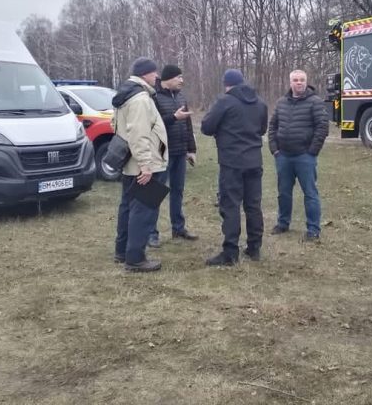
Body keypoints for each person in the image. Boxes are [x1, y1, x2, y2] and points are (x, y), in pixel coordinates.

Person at [201, 69, 268, 266]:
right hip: (254, 161)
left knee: (230, 206)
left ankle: (230, 252)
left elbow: (206, 126)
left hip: (232, 163)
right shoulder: (260, 102)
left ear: (227, 84)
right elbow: (262, 129)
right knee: (253, 206)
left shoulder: (225, 102)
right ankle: (254, 248)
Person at [111, 57, 169, 272]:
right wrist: (146, 165)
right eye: (155, 73)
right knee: (144, 210)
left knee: (127, 207)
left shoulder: (126, 96)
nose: (157, 77)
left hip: (130, 164)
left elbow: (117, 126)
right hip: (145, 166)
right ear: (145, 74)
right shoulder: (140, 99)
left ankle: (122, 250)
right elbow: (138, 134)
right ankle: (135, 258)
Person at [268, 69, 329, 240]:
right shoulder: (281, 102)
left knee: (310, 193)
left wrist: (312, 152)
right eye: (295, 80)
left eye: (302, 80)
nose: (299, 83)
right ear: (290, 82)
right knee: (283, 192)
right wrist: (275, 150)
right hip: (283, 156)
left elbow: (322, 127)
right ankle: (283, 223)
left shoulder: (315, 102)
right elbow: (272, 127)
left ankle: (313, 229)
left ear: (306, 81)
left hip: (304, 157)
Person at [148, 64, 198, 246]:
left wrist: (191, 150)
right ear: (169, 79)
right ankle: (150, 233)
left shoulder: (181, 96)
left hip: (179, 152)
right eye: (179, 77)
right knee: (155, 192)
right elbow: (152, 124)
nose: (182, 81)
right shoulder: (154, 97)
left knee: (178, 191)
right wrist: (173, 118)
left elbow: (188, 125)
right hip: (161, 153)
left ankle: (178, 228)